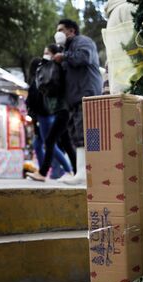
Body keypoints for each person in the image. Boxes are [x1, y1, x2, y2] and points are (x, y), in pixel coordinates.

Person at [53, 18, 102, 185]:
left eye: (61, 30)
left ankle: (88, 173)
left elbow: (84, 57)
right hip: (76, 98)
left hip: (87, 96)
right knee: (78, 135)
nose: (58, 33)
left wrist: (63, 56)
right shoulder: (68, 48)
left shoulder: (83, 41)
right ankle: (84, 172)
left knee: (88, 134)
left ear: (71, 31)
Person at [27, 44, 75, 182]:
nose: (44, 55)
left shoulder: (56, 68)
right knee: (65, 143)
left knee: (49, 141)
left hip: (61, 109)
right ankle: (74, 171)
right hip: (59, 110)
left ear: (55, 54)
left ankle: (43, 173)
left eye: (47, 52)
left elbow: (49, 87)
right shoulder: (56, 67)